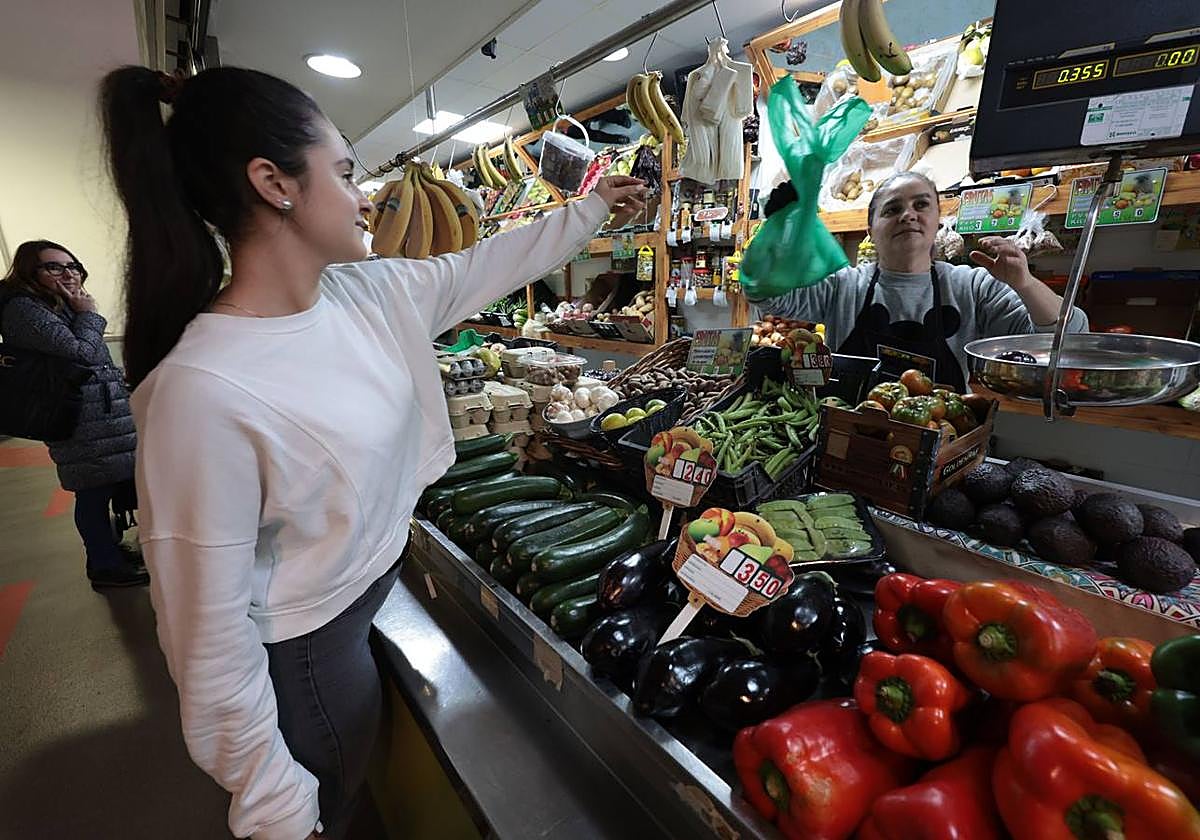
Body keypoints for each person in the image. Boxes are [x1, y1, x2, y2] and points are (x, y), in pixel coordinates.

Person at [99, 63, 647, 840]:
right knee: (337, 808)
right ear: (274, 182)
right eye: (347, 172)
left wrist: (593, 207)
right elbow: (206, 638)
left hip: (359, 610)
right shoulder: (201, 391)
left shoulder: (365, 295)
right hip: (307, 664)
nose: (366, 197)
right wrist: (272, 801)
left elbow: (479, 268)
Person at [748, 172, 1088, 390]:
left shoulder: (973, 287)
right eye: (892, 209)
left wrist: (1025, 283)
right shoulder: (842, 286)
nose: (908, 214)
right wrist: (779, 229)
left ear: (938, 221)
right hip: (850, 439)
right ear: (871, 230)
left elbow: (1070, 337)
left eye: (921, 204)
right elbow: (763, 292)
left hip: (942, 441)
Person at [0, 241, 147, 589]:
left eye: (72, 266)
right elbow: (81, 353)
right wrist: (88, 314)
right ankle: (103, 564)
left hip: (101, 414)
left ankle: (109, 551)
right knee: (93, 491)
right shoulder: (24, 309)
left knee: (108, 485)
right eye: (53, 267)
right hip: (79, 417)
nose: (68, 273)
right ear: (28, 272)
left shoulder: (57, 304)